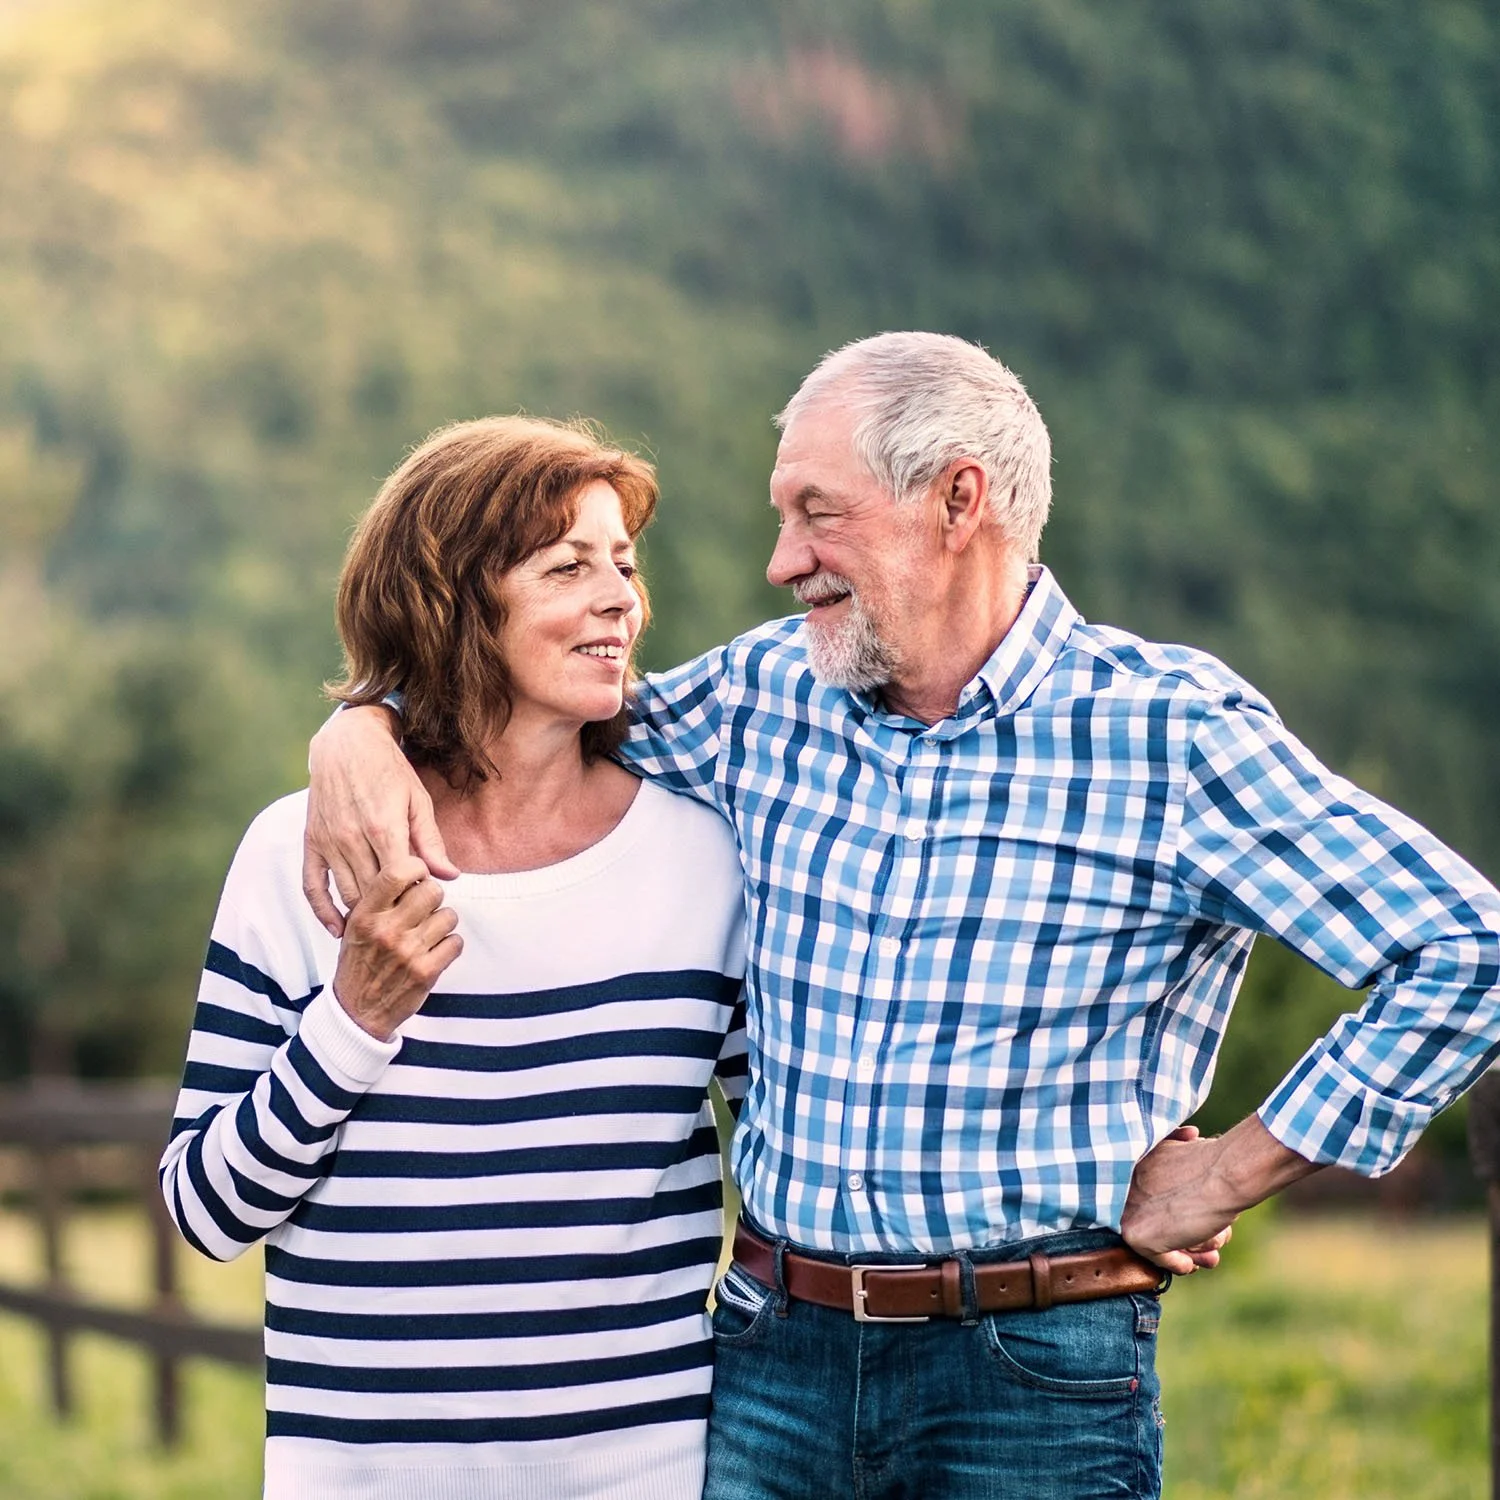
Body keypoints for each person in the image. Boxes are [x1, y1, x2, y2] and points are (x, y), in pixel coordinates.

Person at [304, 334, 1500, 1500]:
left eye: (818, 513)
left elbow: (1465, 950)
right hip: (774, 1357)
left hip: (1031, 1378)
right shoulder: (765, 694)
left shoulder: (1169, 736)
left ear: (956, 499)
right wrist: (360, 720)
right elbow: (529, 695)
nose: (782, 560)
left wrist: (1231, 1171)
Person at [161, 416, 748, 1500]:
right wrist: (351, 1022)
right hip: (358, 1479)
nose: (622, 597)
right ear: (451, 598)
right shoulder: (298, 857)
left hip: (647, 1473)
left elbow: (801, 1156)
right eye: (569, 567)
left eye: (624, 563)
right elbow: (205, 1214)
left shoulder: (704, 861)